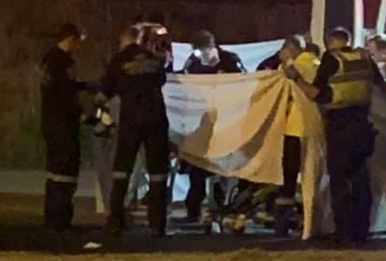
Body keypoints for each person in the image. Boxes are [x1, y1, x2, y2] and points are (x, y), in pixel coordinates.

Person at [284, 27, 386, 244]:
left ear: (330, 41)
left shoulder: (331, 60)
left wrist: (296, 78)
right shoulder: (363, 57)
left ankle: (342, 233)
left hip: (340, 127)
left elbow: (317, 94)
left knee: (340, 181)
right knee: (361, 180)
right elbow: (382, 85)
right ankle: (360, 231)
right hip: (362, 126)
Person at [100, 26, 170, 237]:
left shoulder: (118, 60)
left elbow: (104, 94)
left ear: (124, 39)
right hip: (156, 120)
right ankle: (157, 224)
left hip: (131, 121)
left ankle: (115, 222)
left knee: (121, 171)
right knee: (158, 173)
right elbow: (162, 80)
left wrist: (100, 120)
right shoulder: (155, 59)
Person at [177, 30, 248, 232]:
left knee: (224, 167)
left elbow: (243, 84)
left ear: (212, 47)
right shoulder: (193, 63)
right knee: (197, 164)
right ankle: (194, 209)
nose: (201, 57)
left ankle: (226, 208)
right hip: (201, 121)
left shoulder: (229, 61)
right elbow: (183, 83)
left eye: (203, 52)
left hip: (226, 120)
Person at [39, 23, 89, 234]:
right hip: (63, 124)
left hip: (50, 121)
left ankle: (53, 217)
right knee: (66, 171)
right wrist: (88, 117)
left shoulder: (48, 59)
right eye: (77, 42)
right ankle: (60, 219)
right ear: (70, 39)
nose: (78, 46)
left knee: (54, 171)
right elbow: (65, 95)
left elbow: (58, 87)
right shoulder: (63, 61)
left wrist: (83, 86)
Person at [274, 34, 320, 236]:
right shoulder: (316, 64)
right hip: (316, 129)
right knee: (312, 177)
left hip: (293, 128)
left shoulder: (291, 68)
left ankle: (283, 222)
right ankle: (310, 221)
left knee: (288, 177)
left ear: (289, 49)